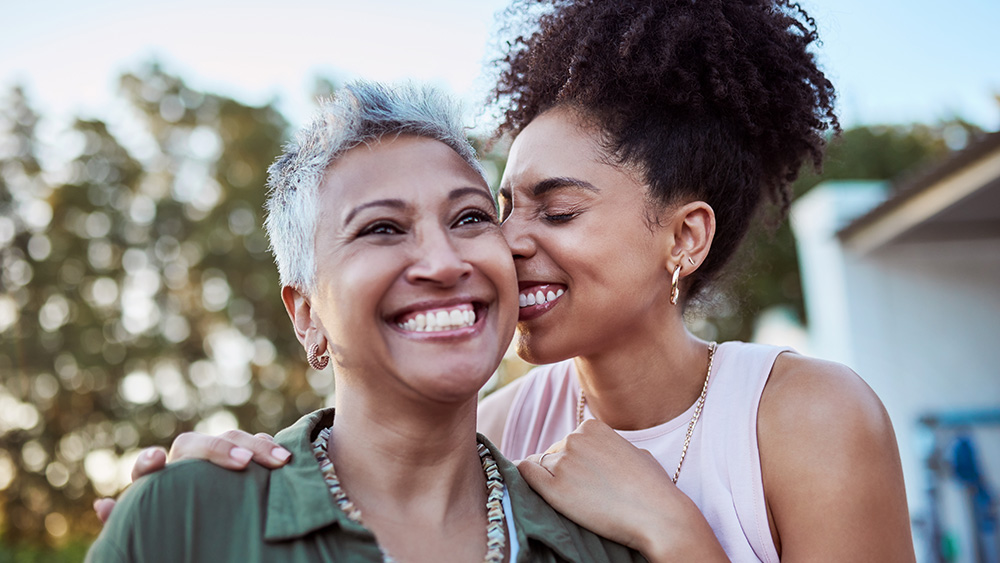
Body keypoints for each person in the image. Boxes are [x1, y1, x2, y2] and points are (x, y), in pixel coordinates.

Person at [101, 0, 916, 560]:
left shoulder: (809, 418)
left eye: (557, 212)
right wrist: (205, 482)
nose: (504, 243)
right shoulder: (500, 431)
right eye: (500, 208)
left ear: (685, 236)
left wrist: (680, 538)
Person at [86, 81, 644, 563]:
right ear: (307, 314)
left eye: (471, 218)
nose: (447, 263)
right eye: (382, 229)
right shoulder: (186, 522)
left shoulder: (595, 540)